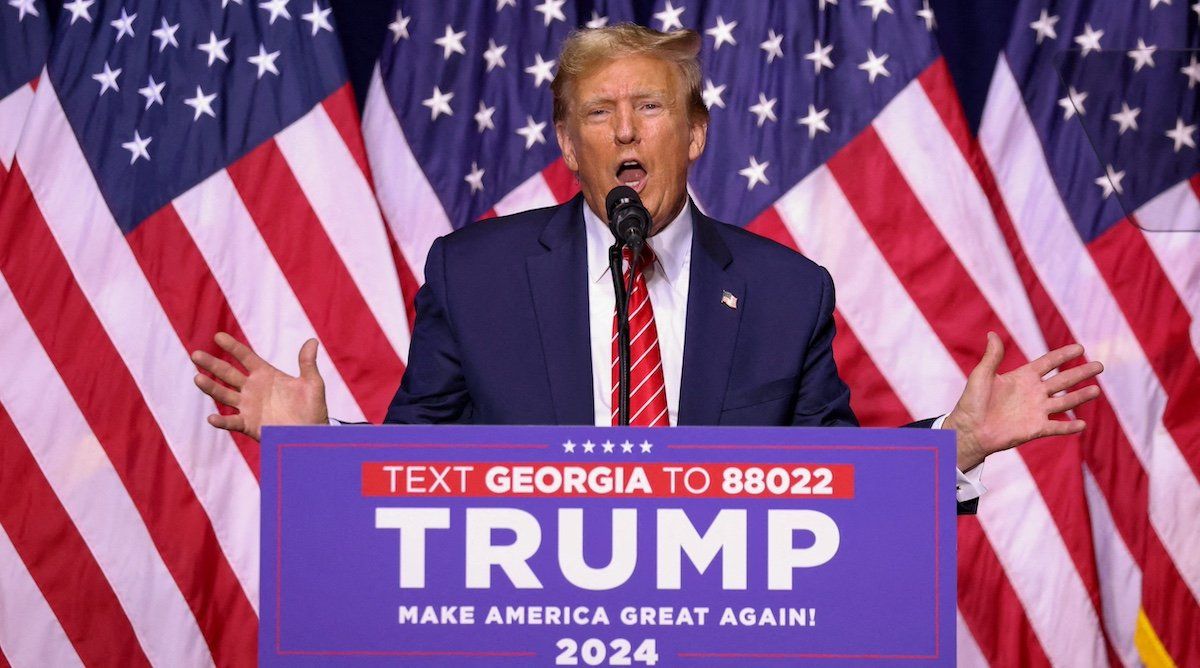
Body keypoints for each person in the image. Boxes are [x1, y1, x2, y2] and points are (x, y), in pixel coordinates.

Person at [190, 25, 1102, 508]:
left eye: (651, 107)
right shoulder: (475, 277)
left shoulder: (786, 294)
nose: (625, 130)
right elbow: (423, 478)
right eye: (597, 113)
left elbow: (836, 485)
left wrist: (956, 444)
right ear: (567, 145)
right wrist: (319, 450)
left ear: (697, 131)